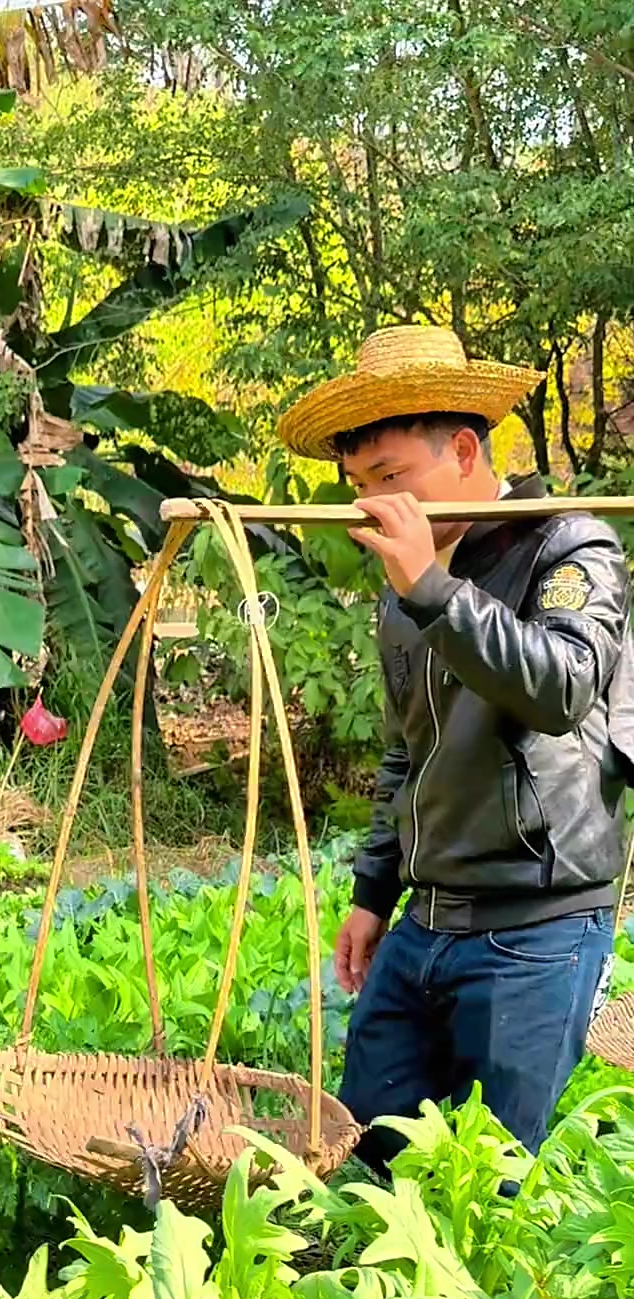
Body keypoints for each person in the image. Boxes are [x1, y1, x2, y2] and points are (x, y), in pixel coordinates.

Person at [276, 324, 633, 1171]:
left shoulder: (567, 548)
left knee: (490, 1183)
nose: (373, 505)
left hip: (536, 919)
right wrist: (373, 893)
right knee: (368, 1150)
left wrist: (435, 593)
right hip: (426, 919)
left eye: (392, 478)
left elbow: (562, 687)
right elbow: (409, 754)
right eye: (360, 485)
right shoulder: (407, 592)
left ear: (465, 448)